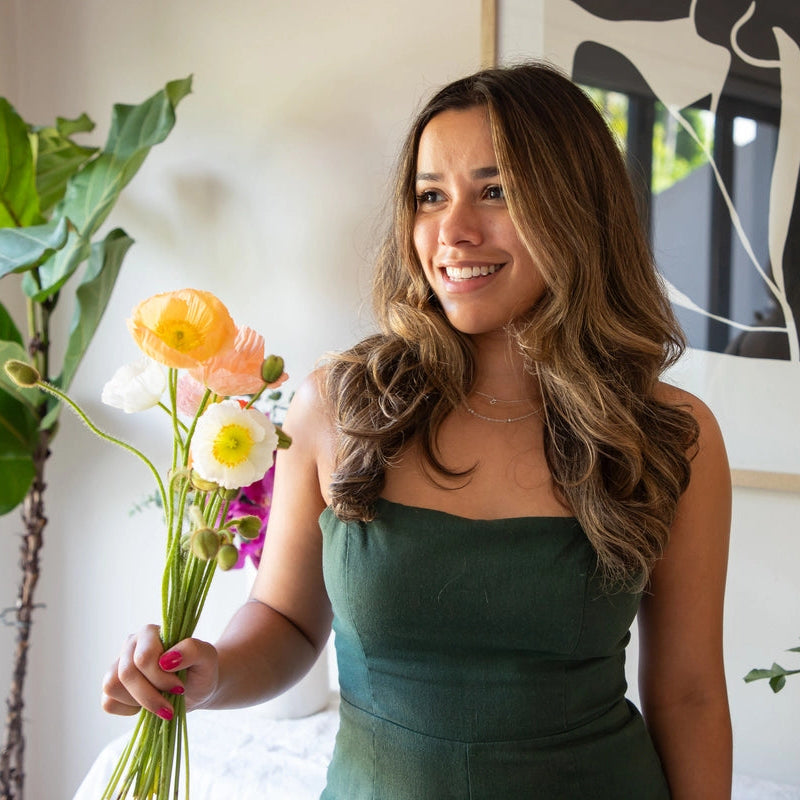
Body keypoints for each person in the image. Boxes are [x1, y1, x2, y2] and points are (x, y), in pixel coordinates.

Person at [102, 62, 732, 799]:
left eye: (495, 192)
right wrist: (207, 673)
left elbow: (688, 696)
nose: (454, 232)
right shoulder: (338, 406)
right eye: (430, 196)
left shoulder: (668, 433)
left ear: (575, 206)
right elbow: (285, 620)